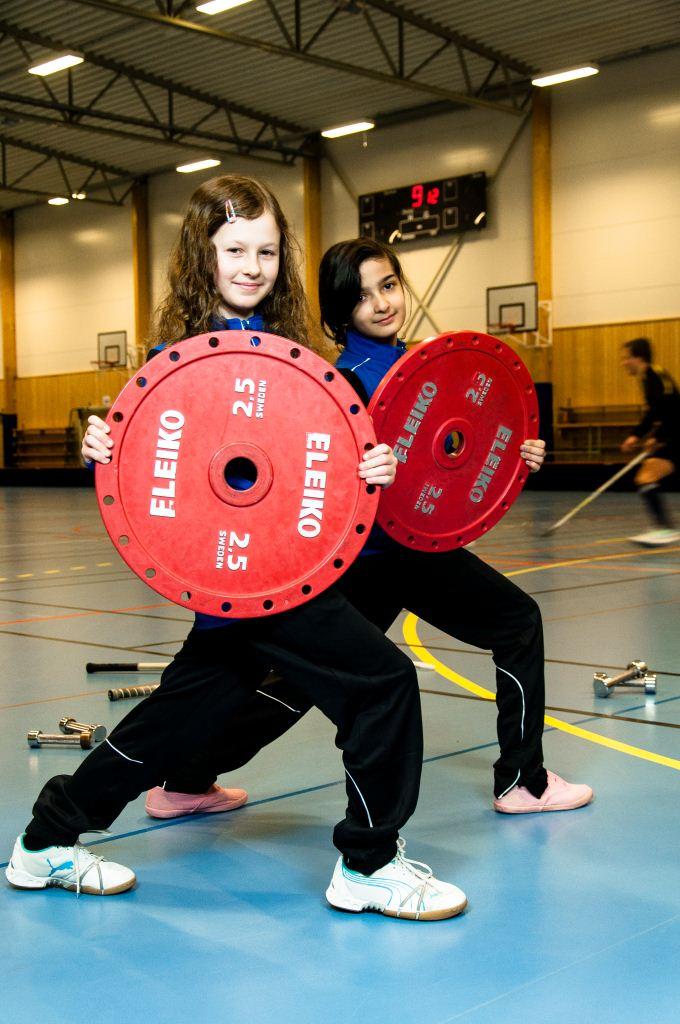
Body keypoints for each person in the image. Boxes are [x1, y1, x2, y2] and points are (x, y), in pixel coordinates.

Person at [6, 180, 467, 921]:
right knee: (381, 683)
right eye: (234, 250)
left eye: (267, 251)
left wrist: (367, 468)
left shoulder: (291, 357)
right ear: (202, 256)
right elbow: (150, 469)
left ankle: (43, 842)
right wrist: (101, 447)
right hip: (241, 582)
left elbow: (314, 461)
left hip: (271, 582)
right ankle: (369, 864)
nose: (252, 266)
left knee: (170, 726)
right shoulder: (176, 360)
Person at [142, 237, 593, 822]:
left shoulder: (427, 368)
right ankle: (523, 784)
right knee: (303, 682)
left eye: (388, 286)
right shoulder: (339, 380)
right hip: (372, 555)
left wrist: (512, 457)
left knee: (302, 684)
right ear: (335, 314)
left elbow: (456, 456)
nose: (381, 304)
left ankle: (185, 781)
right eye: (361, 298)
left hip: (410, 551)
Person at [621, 337, 680, 546]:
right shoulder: (651, 376)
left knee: (646, 476)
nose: (624, 362)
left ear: (639, 357)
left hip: (675, 435)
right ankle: (663, 527)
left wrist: (655, 437)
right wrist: (642, 435)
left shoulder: (655, 376)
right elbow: (657, 412)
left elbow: (669, 410)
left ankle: (664, 529)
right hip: (671, 434)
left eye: (627, 358)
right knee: (646, 475)